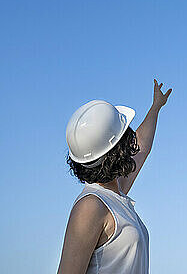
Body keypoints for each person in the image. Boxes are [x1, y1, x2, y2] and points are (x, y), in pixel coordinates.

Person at [57, 79, 172, 274]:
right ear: (119, 147)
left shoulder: (114, 195)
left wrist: (155, 108)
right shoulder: (91, 206)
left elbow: (142, 148)